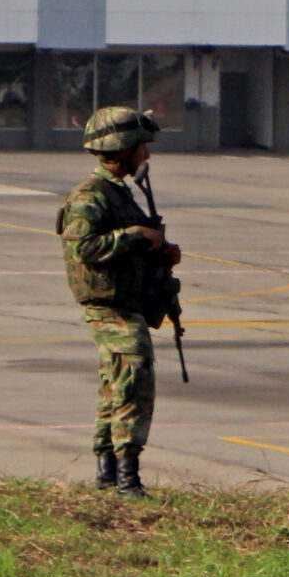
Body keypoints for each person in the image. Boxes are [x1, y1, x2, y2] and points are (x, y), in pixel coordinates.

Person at [58, 107, 179, 496]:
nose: (146, 154)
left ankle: (109, 473)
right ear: (123, 149)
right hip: (108, 306)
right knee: (133, 378)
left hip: (127, 303)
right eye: (141, 146)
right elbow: (84, 247)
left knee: (116, 384)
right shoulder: (90, 194)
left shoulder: (119, 192)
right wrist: (135, 235)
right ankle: (127, 479)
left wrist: (160, 248)